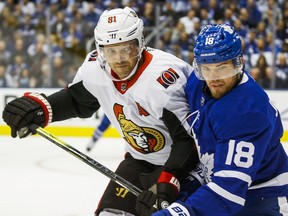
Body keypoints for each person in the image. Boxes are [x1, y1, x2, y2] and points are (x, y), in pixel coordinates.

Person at [2, 7, 199, 216]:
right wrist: (42, 108)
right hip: (139, 160)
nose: (119, 59)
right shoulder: (94, 68)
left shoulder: (164, 78)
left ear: (140, 43)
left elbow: (188, 141)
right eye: (110, 50)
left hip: (186, 166)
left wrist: (169, 180)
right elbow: (77, 99)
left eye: (127, 49)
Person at [137, 23, 288, 215]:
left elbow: (228, 192)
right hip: (222, 191)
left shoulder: (247, 112)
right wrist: (172, 189)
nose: (214, 78)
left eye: (222, 68)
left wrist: (175, 212)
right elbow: (209, 157)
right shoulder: (196, 85)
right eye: (206, 69)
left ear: (238, 63)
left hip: (264, 197)